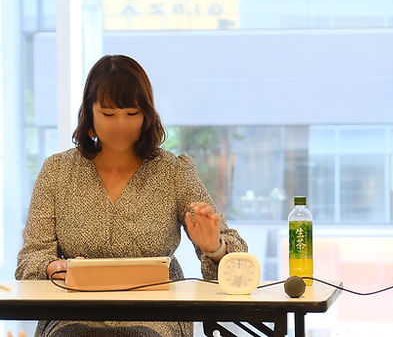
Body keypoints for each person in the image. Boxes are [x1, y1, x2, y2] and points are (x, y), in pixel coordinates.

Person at [15, 55, 248, 337]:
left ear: (146, 116)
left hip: (155, 316)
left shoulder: (172, 171)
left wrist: (215, 248)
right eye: (108, 114)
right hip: (73, 314)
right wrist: (53, 267)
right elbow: (31, 259)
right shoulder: (58, 171)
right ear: (89, 115)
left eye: (132, 113)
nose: (121, 125)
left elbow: (238, 263)